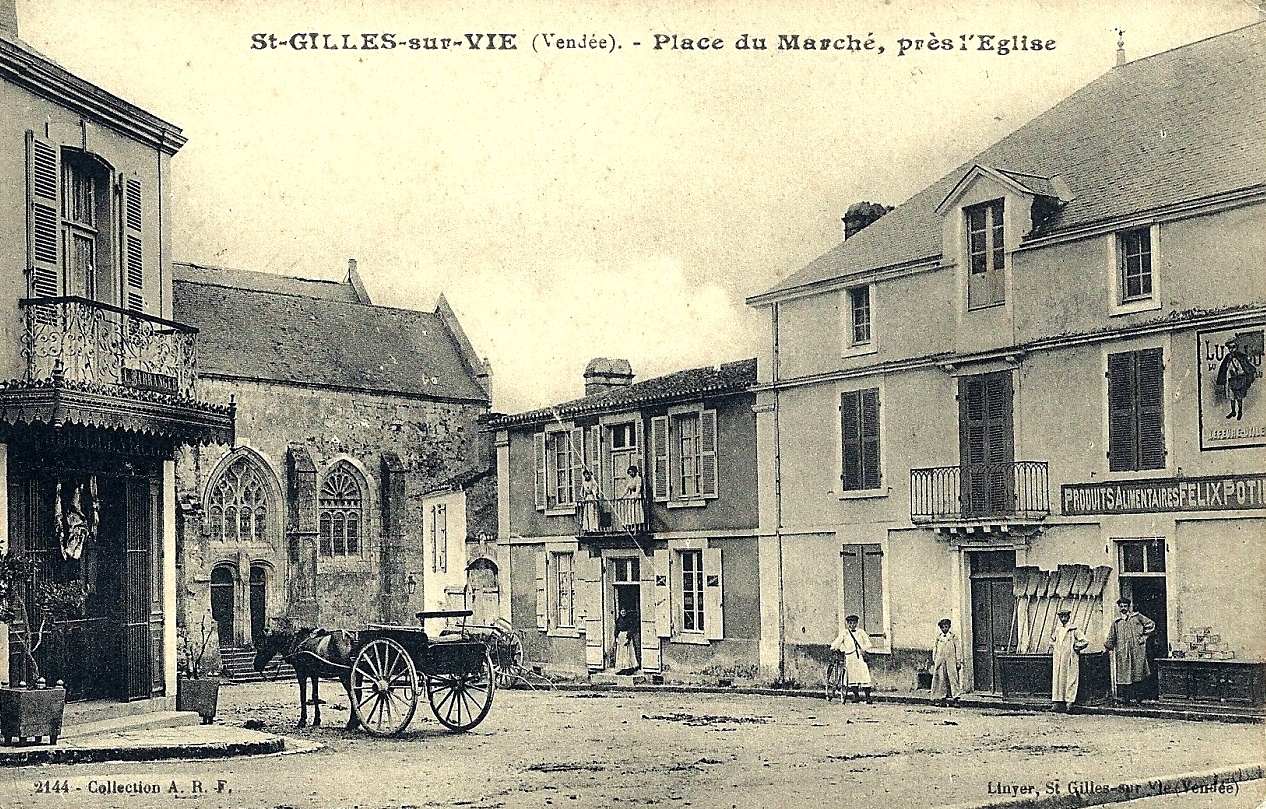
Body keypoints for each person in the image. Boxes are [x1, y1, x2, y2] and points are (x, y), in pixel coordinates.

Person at [1104, 597, 1155, 705]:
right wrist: (1107, 647)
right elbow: (1111, 637)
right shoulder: (1116, 622)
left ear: (1129, 607)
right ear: (1119, 607)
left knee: (1138, 673)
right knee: (1125, 675)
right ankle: (1126, 699)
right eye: (1121, 606)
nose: (1123, 608)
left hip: (1137, 650)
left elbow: (1150, 624)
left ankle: (1139, 699)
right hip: (1123, 652)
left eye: (1125, 606)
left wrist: (1144, 637)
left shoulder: (1137, 617)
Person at [1050, 608, 1089, 712]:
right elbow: (1052, 640)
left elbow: (1085, 641)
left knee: (1070, 679)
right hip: (1059, 658)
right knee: (1058, 679)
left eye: (1065, 616)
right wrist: (1056, 647)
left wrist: (1076, 647)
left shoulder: (1074, 629)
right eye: (1061, 617)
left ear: (1068, 617)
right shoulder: (1058, 630)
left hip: (1070, 658)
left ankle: (1069, 703)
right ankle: (1057, 702)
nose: (1063, 619)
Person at [830, 614, 874, 704]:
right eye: (850, 623)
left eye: (854, 623)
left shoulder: (861, 632)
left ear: (857, 623)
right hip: (849, 657)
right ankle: (856, 696)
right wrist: (834, 647)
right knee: (852, 677)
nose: (852, 625)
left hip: (859, 657)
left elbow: (869, 644)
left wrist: (863, 649)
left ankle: (868, 697)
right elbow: (837, 642)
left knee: (864, 676)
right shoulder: (844, 633)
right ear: (847, 624)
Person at [1216, 336, 1256, 420]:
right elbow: (1224, 368)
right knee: (1232, 397)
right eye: (1229, 348)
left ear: (1236, 347)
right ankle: (1233, 411)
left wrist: (1237, 373)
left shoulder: (1241, 356)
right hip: (1230, 381)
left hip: (1238, 380)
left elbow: (1245, 368)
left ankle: (1240, 411)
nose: (1231, 349)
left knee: (1239, 397)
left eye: (1233, 347)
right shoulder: (1228, 358)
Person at [930, 618, 963, 706]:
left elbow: (958, 649)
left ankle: (956, 699)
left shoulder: (953, 637)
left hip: (951, 660)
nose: (945, 629)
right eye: (943, 627)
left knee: (953, 679)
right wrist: (935, 660)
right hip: (940, 661)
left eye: (946, 627)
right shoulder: (938, 638)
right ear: (940, 628)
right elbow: (935, 649)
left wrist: (958, 660)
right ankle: (942, 699)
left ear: (949, 627)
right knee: (941, 679)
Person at [614, 607, 640, 674]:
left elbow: (630, 628)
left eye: (624, 612)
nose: (623, 613)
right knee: (621, 653)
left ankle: (628, 668)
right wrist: (616, 637)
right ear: (620, 612)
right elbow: (617, 629)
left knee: (628, 652)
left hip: (626, 636)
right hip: (620, 637)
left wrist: (628, 638)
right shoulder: (618, 620)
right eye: (622, 612)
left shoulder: (628, 620)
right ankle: (621, 668)